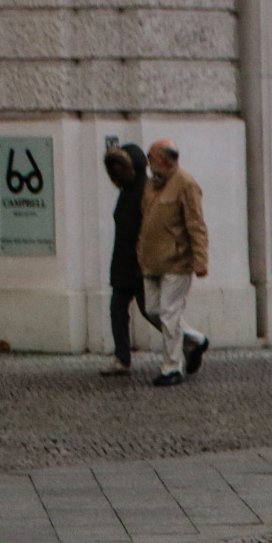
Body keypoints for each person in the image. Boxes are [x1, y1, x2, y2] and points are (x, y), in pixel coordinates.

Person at [139, 139, 210, 388]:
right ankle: (196, 341)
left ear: (166, 160)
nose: (149, 164)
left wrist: (201, 259)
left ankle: (172, 367)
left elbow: (196, 225)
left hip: (177, 261)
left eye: (151, 158)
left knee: (169, 314)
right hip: (150, 261)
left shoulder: (186, 184)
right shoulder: (151, 185)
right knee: (152, 311)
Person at [101, 143, 158, 376]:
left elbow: (148, 231)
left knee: (151, 310)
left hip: (138, 264)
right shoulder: (126, 192)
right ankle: (122, 358)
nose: (115, 173)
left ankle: (189, 341)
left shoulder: (146, 192)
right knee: (117, 309)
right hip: (123, 264)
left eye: (119, 167)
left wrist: (141, 263)